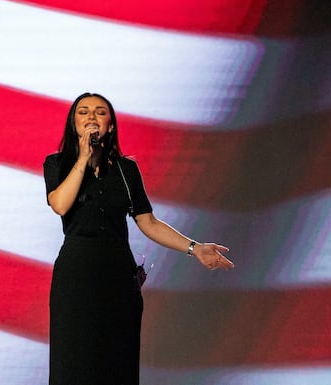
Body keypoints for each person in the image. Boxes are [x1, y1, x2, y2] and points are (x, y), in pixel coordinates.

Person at [43, 92, 234, 385]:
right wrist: (83, 157)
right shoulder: (57, 163)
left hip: (117, 276)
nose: (91, 117)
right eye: (83, 112)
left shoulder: (125, 169)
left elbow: (149, 222)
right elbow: (60, 204)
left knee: (117, 362)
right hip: (77, 276)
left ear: (111, 125)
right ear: (73, 123)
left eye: (99, 112)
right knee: (75, 363)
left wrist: (194, 248)